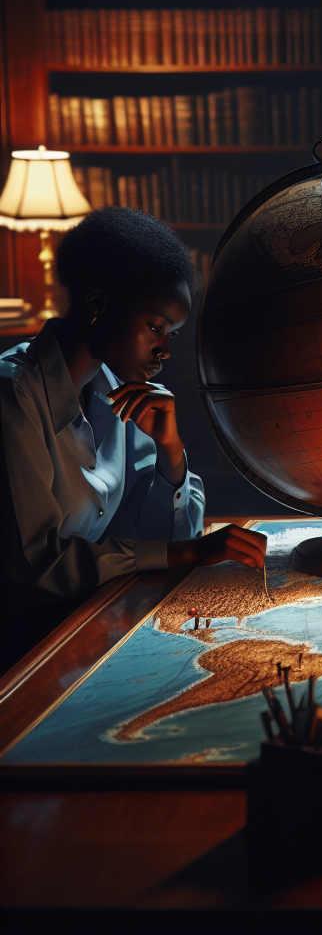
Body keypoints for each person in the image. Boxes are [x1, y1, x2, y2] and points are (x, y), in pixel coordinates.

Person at [0, 207, 266, 670]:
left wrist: (171, 455)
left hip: (93, 620)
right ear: (98, 303)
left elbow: (161, 542)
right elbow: (35, 567)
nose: (164, 350)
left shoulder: (121, 396)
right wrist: (189, 551)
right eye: (155, 327)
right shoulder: (13, 394)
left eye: (172, 334)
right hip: (24, 644)